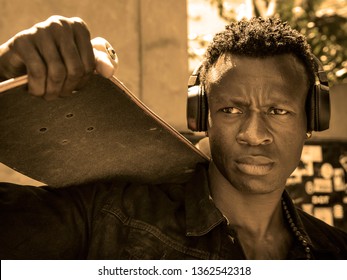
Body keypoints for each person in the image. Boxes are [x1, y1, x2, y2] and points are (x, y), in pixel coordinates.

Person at [0, 15, 346, 260]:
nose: (254, 135)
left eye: (278, 111)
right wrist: (2, 71)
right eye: (231, 110)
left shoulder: (335, 253)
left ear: (312, 120)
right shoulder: (106, 217)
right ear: (201, 117)